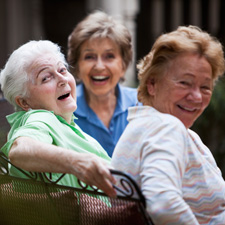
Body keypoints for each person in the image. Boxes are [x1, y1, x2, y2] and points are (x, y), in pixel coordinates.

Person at [111, 25, 225, 224]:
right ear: (152, 84)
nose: (197, 96)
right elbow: (163, 204)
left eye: (205, 87)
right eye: (184, 83)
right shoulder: (166, 127)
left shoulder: (150, 125)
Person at [0, 40, 116, 198]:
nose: (63, 79)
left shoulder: (71, 128)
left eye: (62, 69)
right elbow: (20, 150)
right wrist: (76, 162)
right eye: (46, 78)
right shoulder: (40, 118)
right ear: (24, 102)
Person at [67, 11, 140, 157]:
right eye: (89, 57)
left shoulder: (142, 105)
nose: (99, 66)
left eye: (109, 56)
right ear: (77, 66)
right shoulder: (64, 111)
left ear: (123, 65)